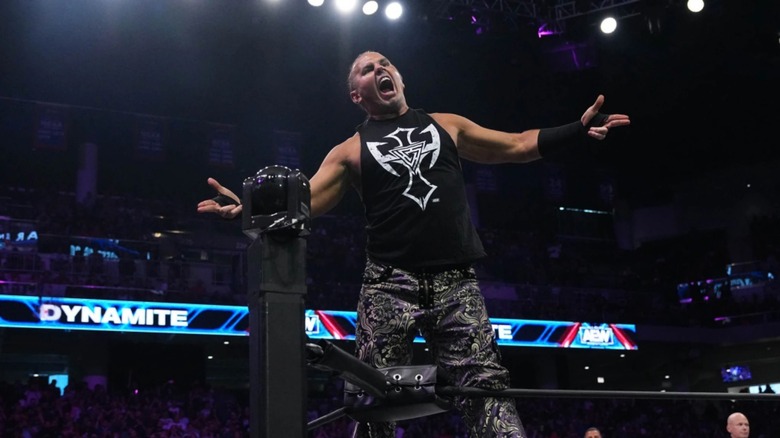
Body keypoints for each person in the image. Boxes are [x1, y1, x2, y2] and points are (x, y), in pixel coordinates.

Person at [197, 50, 630, 438]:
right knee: (372, 393)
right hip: (389, 282)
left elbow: (516, 144)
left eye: (385, 63)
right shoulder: (349, 150)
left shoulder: (447, 125)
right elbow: (305, 201)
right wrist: (251, 208)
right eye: (367, 69)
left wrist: (576, 130)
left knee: (484, 385)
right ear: (356, 94)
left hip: (455, 280)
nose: (379, 69)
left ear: (400, 80)